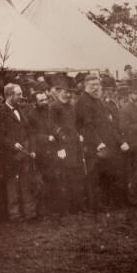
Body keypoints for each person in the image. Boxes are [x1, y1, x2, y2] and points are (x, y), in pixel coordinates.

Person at [75, 74, 129, 211]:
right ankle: (94, 206)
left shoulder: (98, 101)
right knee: (93, 176)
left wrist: (120, 141)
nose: (95, 88)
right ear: (86, 86)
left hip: (107, 144)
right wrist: (98, 143)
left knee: (106, 174)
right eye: (92, 85)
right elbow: (87, 126)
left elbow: (108, 124)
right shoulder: (83, 101)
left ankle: (104, 204)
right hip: (94, 145)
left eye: (97, 85)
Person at [0, 83, 37, 221]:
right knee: (12, 185)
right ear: (9, 95)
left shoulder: (21, 110)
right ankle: (15, 214)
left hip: (25, 153)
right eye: (18, 94)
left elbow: (29, 132)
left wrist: (32, 149)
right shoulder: (0, 113)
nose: (21, 97)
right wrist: (13, 144)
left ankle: (30, 212)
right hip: (10, 156)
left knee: (26, 183)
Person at [49, 75, 86, 214]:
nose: (68, 94)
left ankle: (76, 206)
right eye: (65, 91)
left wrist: (79, 134)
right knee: (63, 176)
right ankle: (64, 208)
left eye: (70, 92)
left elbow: (77, 124)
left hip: (74, 146)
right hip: (61, 147)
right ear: (59, 91)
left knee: (74, 176)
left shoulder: (71, 107)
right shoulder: (53, 107)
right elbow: (52, 126)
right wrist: (61, 141)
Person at [120, 87, 137, 205]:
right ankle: (132, 198)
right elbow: (124, 127)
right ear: (130, 95)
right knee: (133, 172)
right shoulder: (126, 109)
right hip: (132, 145)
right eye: (135, 93)